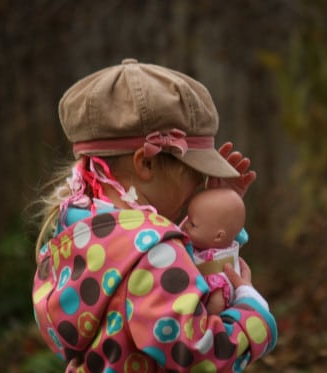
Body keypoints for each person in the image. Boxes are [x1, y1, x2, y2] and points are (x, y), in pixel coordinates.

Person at [31, 58, 277, 372]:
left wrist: (217, 218)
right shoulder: (155, 252)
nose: (199, 184)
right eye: (194, 171)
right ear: (146, 164)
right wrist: (252, 312)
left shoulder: (77, 229)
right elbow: (198, 355)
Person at [181, 188, 252, 315]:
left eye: (192, 224)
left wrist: (207, 317)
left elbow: (217, 305)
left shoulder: (219, 274)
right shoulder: (202, 241)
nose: (186, 225)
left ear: (218, 236)